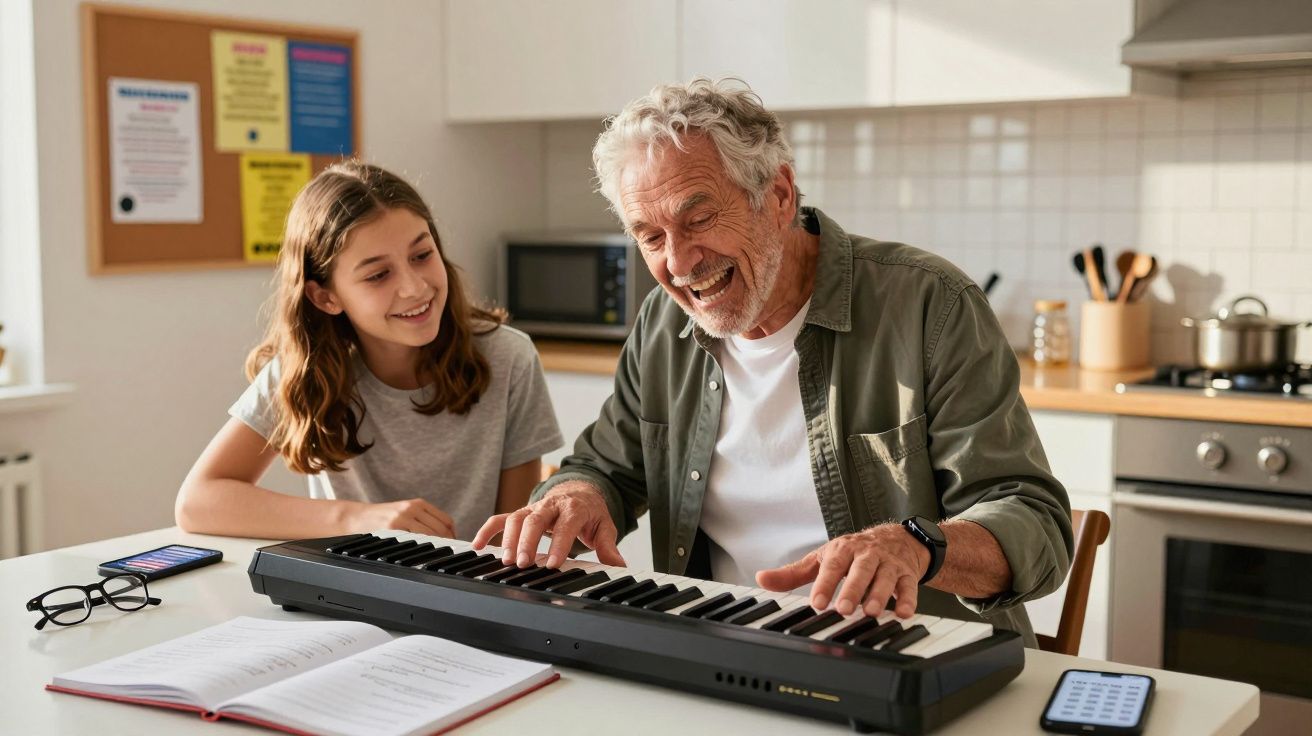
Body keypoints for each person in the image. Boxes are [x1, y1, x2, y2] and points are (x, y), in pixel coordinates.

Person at [475, 78, 1071, 645]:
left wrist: (916, 546)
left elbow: (1035, 523)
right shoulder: (662, 322)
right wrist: (576, 495)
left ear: (779, 196)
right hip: (727, 651)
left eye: (698, 219)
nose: (678, 263)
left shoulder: (929, 305)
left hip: (911, 656)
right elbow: (606, 467)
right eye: (651, 237)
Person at [176, 161, 562, 541]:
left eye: (422, 255)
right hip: (348, 579)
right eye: (378, 275)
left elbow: (509, 543)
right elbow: (197, 502)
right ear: (325, 297)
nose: (415, 287)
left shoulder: (509, 358)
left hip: (469, 579)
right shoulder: (305, 368)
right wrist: (358, 518)